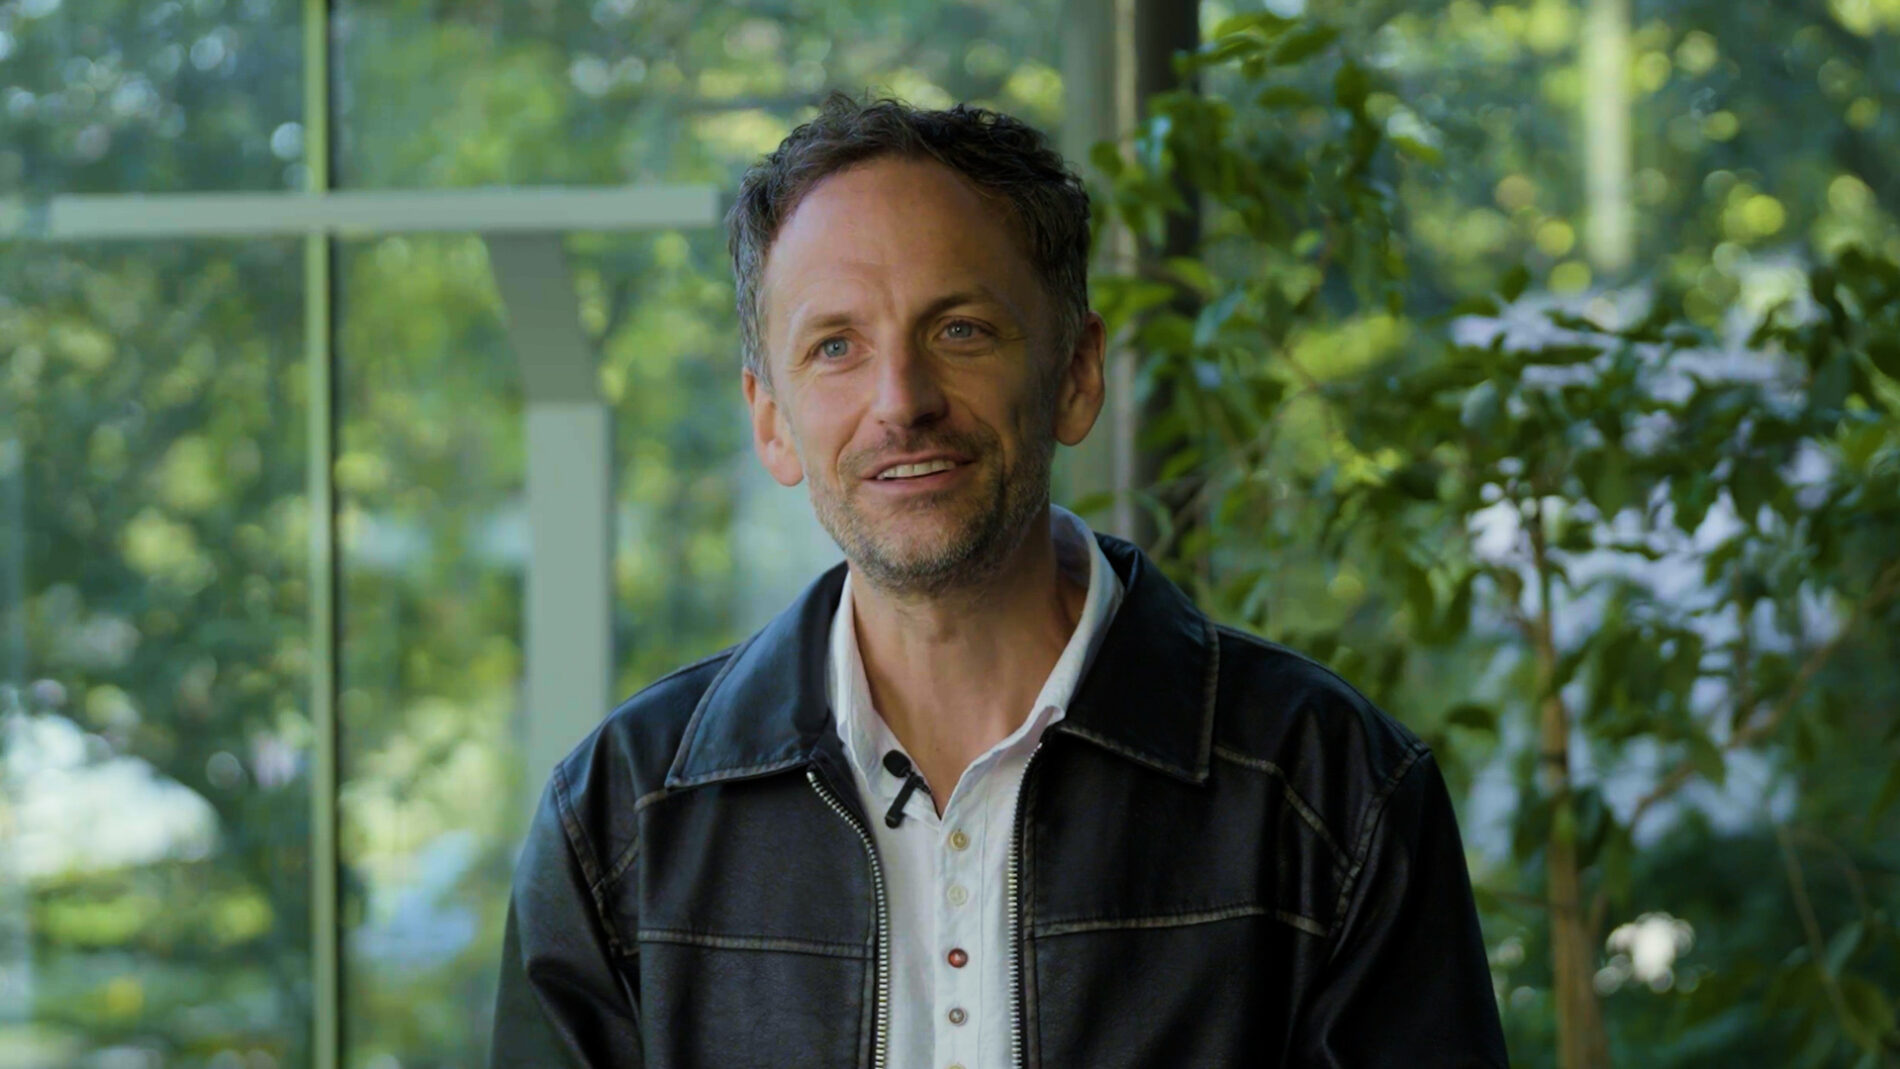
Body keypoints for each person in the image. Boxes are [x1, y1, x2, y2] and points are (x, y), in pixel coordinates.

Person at [489, 91, 1508, 1069]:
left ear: (1074, 374)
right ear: (769, 419)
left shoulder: (1333, 789)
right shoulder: (620, 818)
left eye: (960, 330)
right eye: (835, 346)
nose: (901, 401)